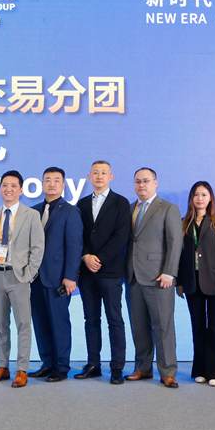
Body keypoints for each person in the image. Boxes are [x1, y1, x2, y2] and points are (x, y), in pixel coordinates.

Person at [0, 170, 45, 388]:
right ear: (0, 188)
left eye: (13, 186)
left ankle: (22, 368)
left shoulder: (31, 215)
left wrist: (29, 274)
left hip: (19, 277)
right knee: (0, 324)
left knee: (23, 324)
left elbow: (38, 247)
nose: (8, 189)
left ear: (21, 190)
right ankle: (3, 365)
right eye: (5, 185)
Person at [125, 167, 183, 388]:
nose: (141, 185)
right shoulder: (130, 208)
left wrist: (169, 272)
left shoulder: (168, 208)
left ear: (155, 183)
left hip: (159, 277)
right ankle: (143, 367)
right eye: (138, 181)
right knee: (138, 326)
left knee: (163, 326)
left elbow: (175, 242)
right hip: (133, 276)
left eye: (146, 181)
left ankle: (168, 371)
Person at [74, 161, 131, 384]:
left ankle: (117, 367)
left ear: (111, 177)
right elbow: (78, 236)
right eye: (95, 173)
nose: (99, 176)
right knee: (91, 319)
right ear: (89, 176)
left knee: (114, 320)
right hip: (86, 273)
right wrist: (85, 257)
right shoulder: (81, 204)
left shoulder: (121, 202)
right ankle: (93, 364)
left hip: (111, 272)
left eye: (103, 173)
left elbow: (121, 236)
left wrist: (100, 259)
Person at [28, 167, 83, 382]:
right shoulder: (33, 211)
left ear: (63, 185)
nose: (51, 184)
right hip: (34, 278)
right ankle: (47, 363)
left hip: (58, 278)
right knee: (40, 322)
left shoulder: (70, 211)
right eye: (47, 180)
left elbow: (75, 246)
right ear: (42, 184)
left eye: (56, 180)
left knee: (59, 322)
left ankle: (61, 367)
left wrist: (71, 276)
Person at [176, 182, 215, 387]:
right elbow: (179, 256)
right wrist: (179, 282)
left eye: (204, 195)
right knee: (197, 327)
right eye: (196, 195)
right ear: (191, 198)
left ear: (210, 198)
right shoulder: (183, 223)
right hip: (192, 282)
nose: (200, 198)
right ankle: (200, 369)